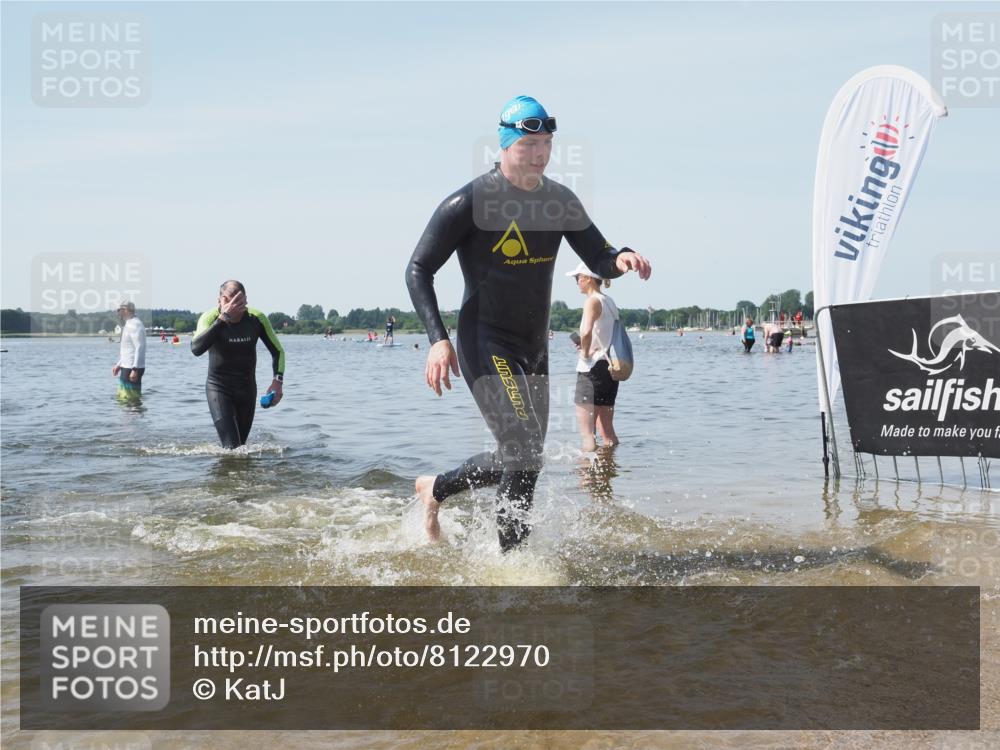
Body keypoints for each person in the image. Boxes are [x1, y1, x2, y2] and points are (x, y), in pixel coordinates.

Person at [405, 95, 651, 550]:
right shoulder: (470, 201)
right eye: (529, 144)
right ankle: (506, 563)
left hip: (533, 345)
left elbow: (598, 254)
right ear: (504, 143)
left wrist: (622, 257)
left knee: (526, 459)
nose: (540, 154)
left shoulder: (558, 201)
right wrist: (438, 341)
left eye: (546, 144)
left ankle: (457, 508)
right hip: (485, 339)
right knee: (519, 450)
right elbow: (418, 269)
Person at [190, 280, 285, 449]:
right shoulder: (209, 317)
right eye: (228, 301)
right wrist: (223, 319)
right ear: (219, 301)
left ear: (246, 301)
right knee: (232, 447)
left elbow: (278, 351)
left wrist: (277, 382)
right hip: (219, 388)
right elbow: (196, 349)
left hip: (247, 390)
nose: (233, 307)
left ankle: (237, 475)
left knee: (241, 448)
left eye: (238, 302)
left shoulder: (256, 319)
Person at [569, 262, 621, 452]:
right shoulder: (610, 301)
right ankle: (609, 471)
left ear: (588, 278)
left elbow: (585, 332)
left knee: (587, 433)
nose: (577, 283)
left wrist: (584, 353)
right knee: (607, 431)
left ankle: (586, 479)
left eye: (577, 278)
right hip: (609, 369)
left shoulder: (592, 301)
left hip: (591, 369)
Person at [112, 300, 146, 401]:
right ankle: (126, 416)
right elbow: (127, 349)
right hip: (126, 366)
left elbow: (139, 347)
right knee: (124, 398)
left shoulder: (135, 324)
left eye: (119, 310)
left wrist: (135, 369)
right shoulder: (129, 323)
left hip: (132, 368)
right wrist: (119, 364)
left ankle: (134, 416)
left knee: (132, 400)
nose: (118, 313)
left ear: (125, 310)